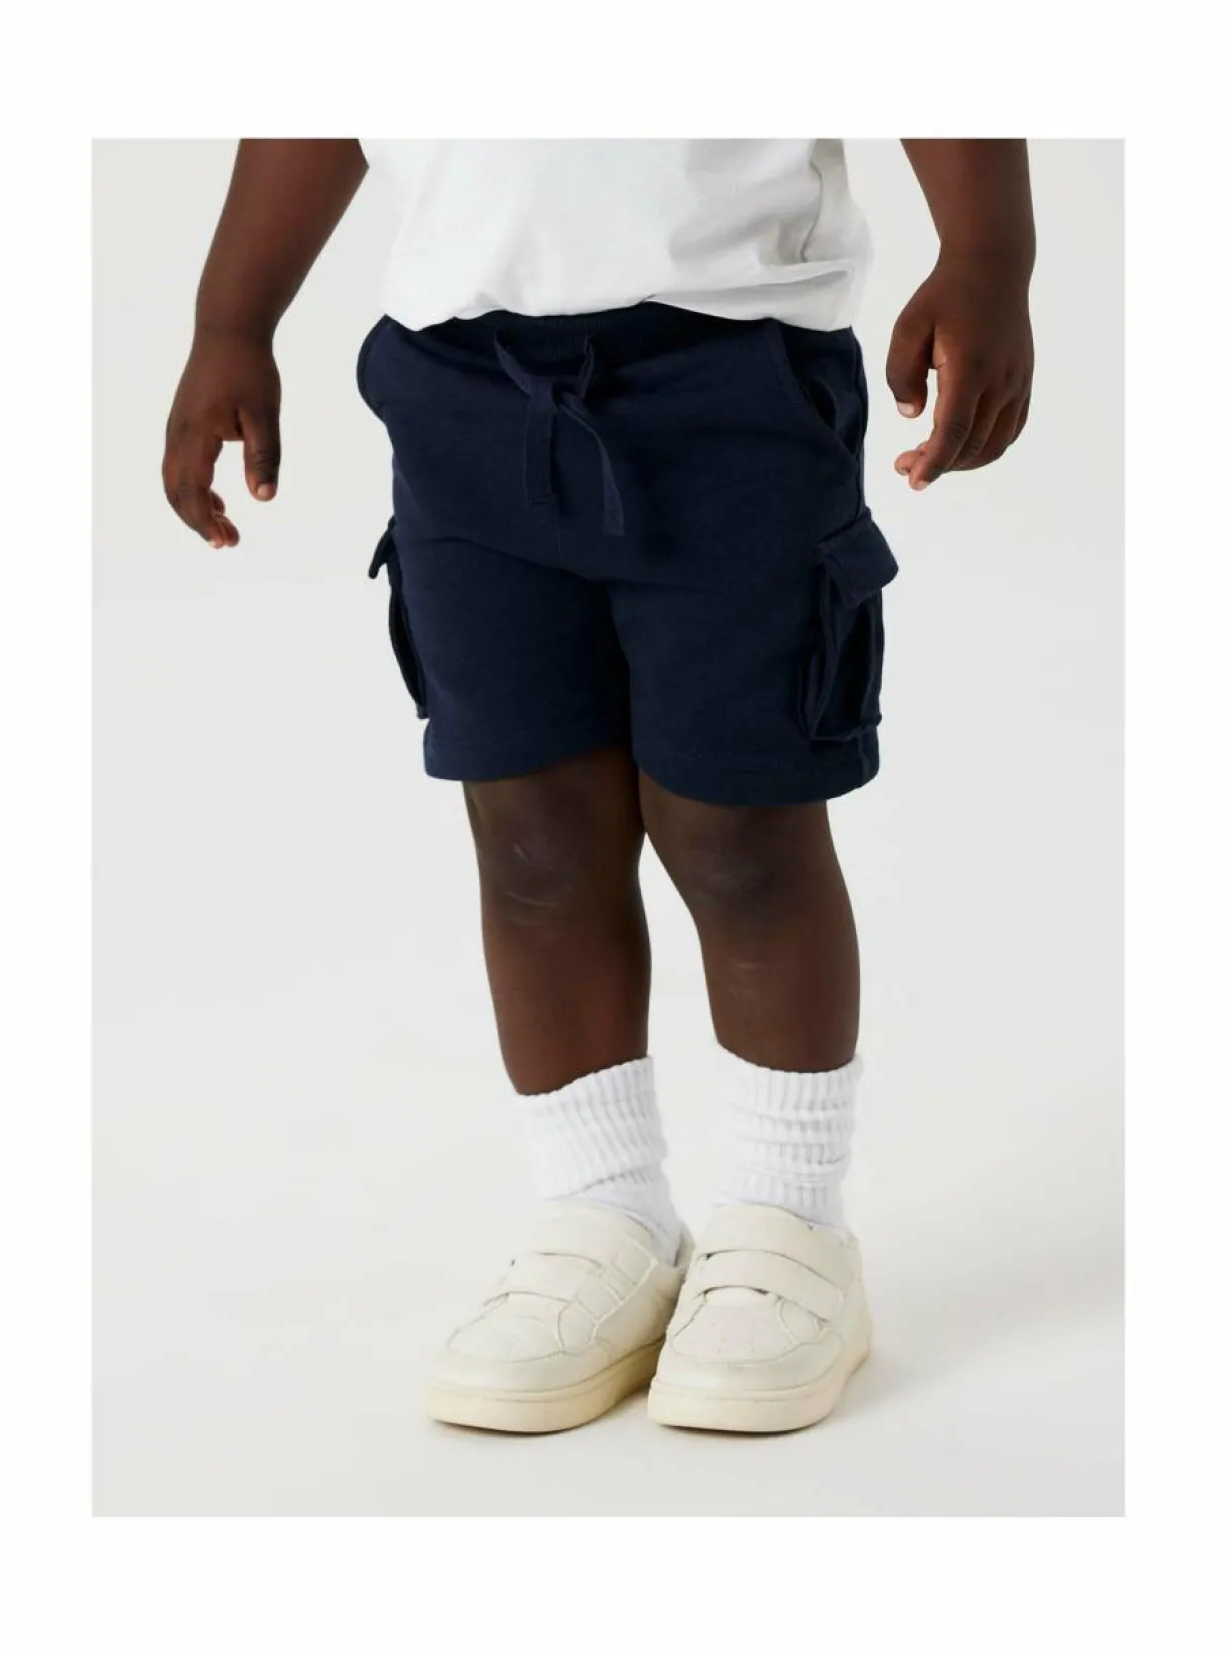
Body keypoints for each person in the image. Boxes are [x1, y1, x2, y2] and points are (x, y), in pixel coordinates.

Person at [163, 139, 1035, 1435]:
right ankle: (603, 1213)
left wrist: (989, 255)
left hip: (735, 372)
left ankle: (789, 1229)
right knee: (531, 836)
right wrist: (231, 322)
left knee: (739, 824)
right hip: (458, 385)